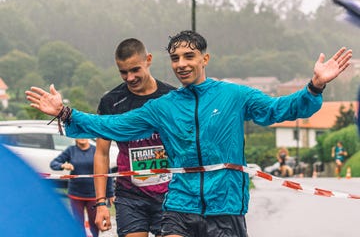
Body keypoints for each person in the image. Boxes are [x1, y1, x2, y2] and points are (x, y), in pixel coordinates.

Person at [26, 30, 352, 237]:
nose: (181, 64)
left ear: (204, 58)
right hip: (180, 205)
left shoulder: (234, 95)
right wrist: (66, 113)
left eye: (188, 56)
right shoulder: (164, 107)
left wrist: (316, 85)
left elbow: (280, 110)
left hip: (225, 206)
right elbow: (112, 126)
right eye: (175, 59)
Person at [94, 38, 176, 237]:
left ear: (148, 60)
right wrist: (101, 203)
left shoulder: (172, 97)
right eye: (123, 72)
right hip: (130, 196)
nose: (129, 77)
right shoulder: (111, 102)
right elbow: (101, 153)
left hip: (170, 195)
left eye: (135, 70)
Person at [50, 138, 114, 237]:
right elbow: (53, 164)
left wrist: (110, 194)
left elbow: (107, 173)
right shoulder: (71, 150)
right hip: (76, 194)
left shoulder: (96, 150)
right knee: (78, 223)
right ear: (75, 137)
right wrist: (63, 165)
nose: (82, 138)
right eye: (79, 135)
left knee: (94, 222)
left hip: (94, 195)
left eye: (84, 135)